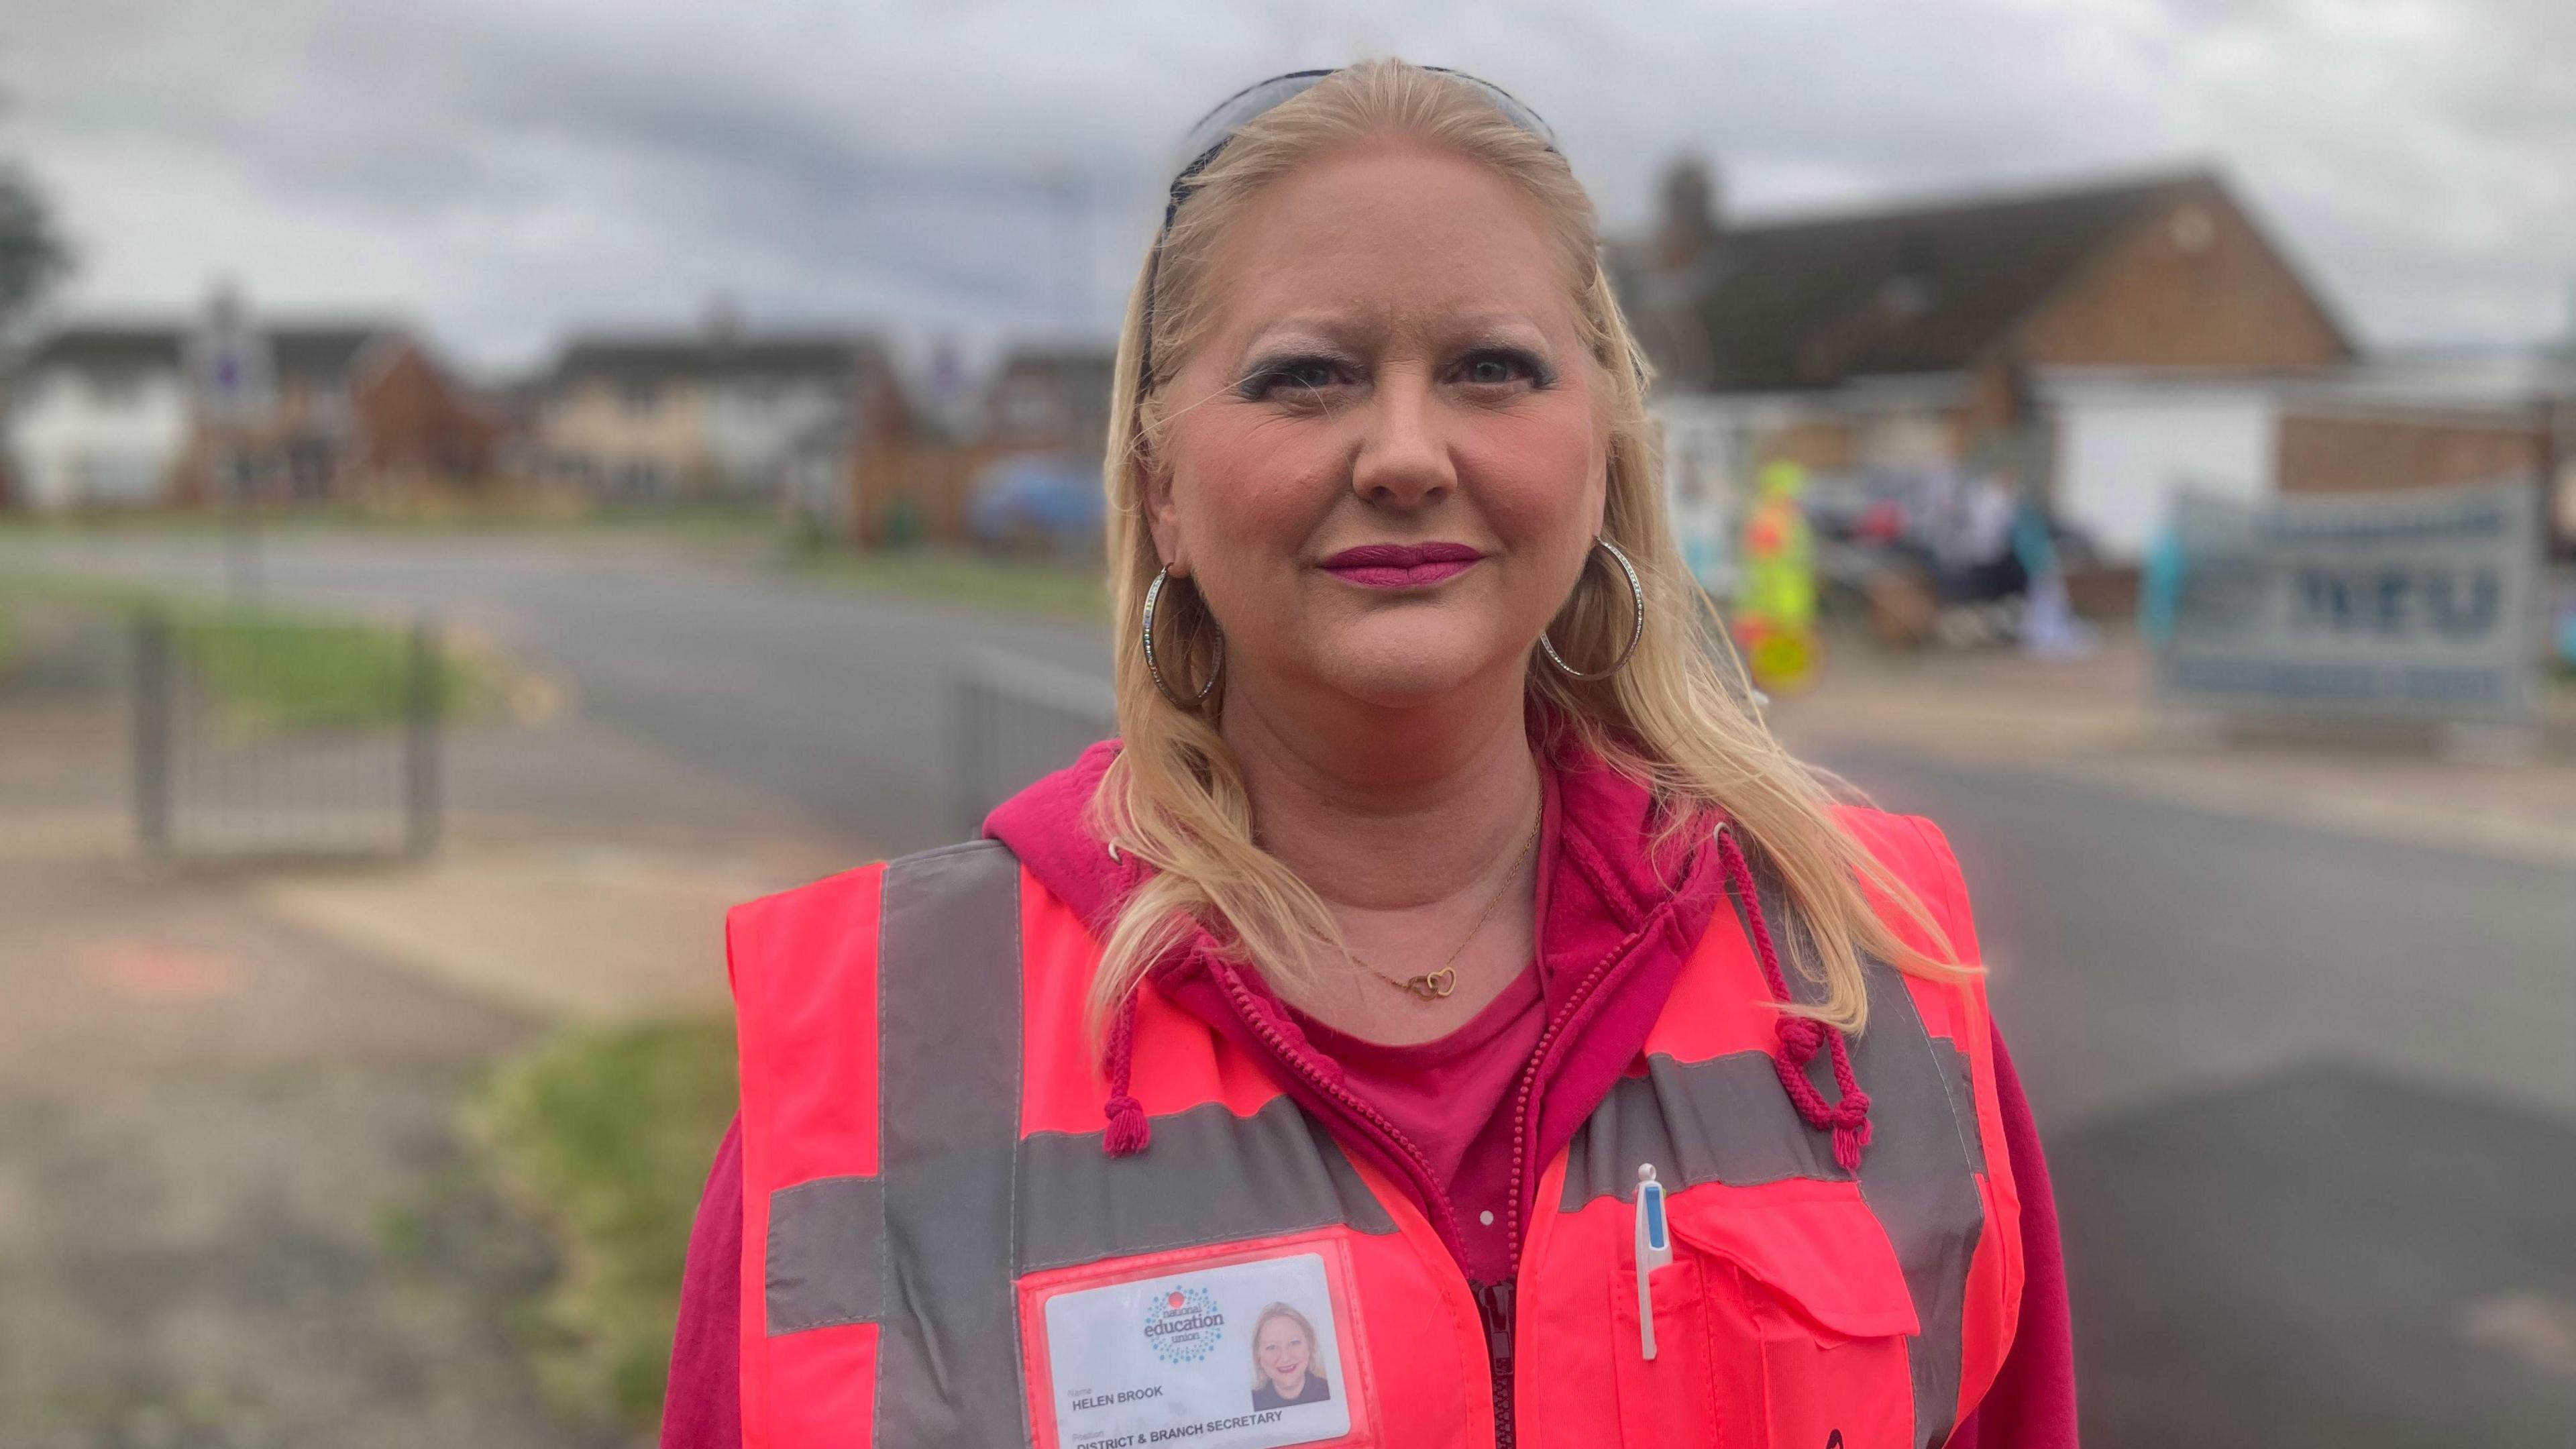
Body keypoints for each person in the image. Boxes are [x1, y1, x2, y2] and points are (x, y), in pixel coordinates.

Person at [660, 60, 2075, 1449]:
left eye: (1492, 369)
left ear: (1602, 455)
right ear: (1162, 490)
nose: (1405, 451)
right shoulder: (880, 1057)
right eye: (1307, 378)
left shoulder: (1866, 958)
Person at [1248, 1303, 1334, 1410]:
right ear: (1258, 1356)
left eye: (1294, 1343)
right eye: (1272, 1347)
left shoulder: (1333, 1392)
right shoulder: (1250, 1404)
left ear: (1310, 1346)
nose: (1285, 1358)